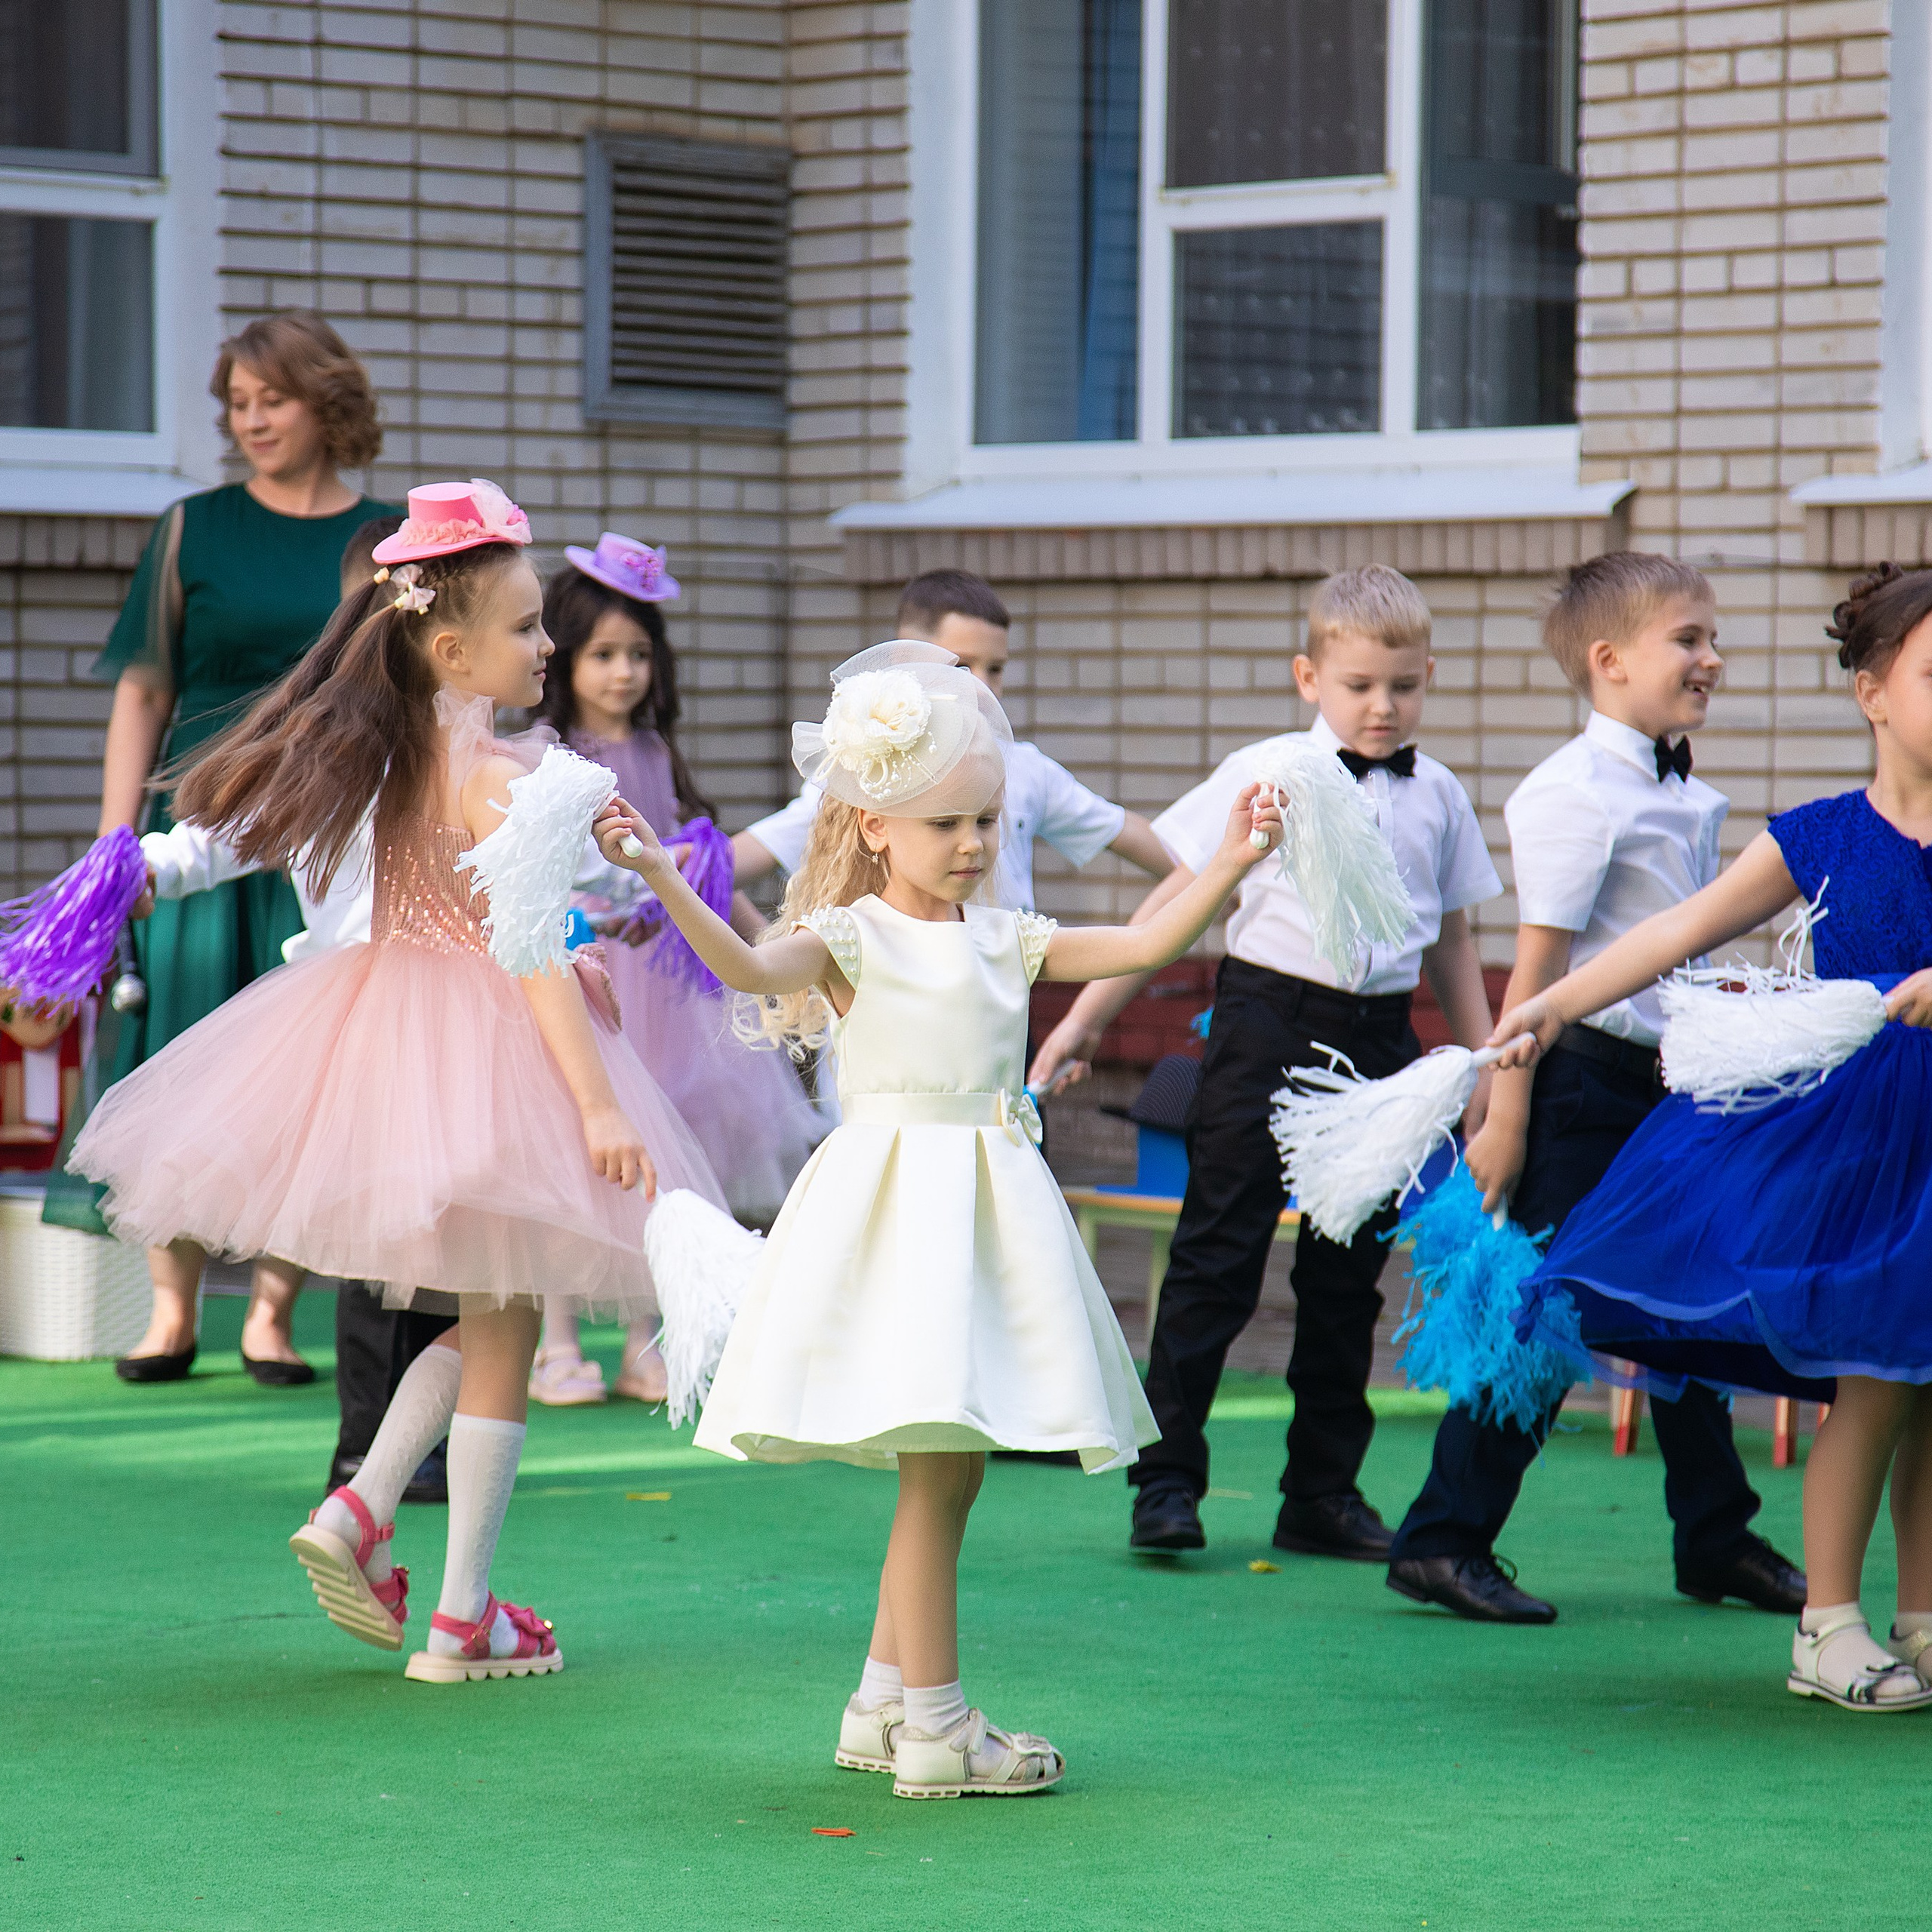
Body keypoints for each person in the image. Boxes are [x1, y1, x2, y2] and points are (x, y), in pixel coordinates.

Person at [593, 639, 1284, 1796]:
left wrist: (1232, 860)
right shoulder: (855, 941)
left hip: (988, 1216)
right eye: (945, 825)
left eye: (985, 823)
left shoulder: (1005, 938)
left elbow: (1151, 942)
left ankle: (880, 1702)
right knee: (938, 1468)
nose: (972, 846)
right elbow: (748, 969)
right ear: (875, 827)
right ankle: (937, 1726)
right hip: (897, 1223)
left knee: (950, 1467)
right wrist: (664, 877)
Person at [69, 478, 728, 1681]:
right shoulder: (497, 777)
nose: (551, 646)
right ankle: (457, 1606)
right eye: (529, 627)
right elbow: (526, 949)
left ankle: (368, 1512)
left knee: (492, 1306)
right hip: (485, 1041)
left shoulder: (382, 754)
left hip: (385, 1018)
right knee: (505, 1314)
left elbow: (264, 841)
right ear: (448, 645)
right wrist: (595, 1104)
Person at [1492, 562, 1932, 1707]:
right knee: (1877, 1378)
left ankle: (1924, 1615)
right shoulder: (1822, 835)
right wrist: (1549, 1004)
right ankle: (1826, 1625)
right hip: (1870, 1146)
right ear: (1872, 692)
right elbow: (1680, 929)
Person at [1029, 565, 1500, 1561]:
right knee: (1217, 1256)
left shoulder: (1441, 794)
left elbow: (1453, 940)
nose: (1383, 706)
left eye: (1404, 687)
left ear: (1430, 679)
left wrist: (1486, 1066)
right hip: (1265, 1029)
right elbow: (1170, 905)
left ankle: (1321, 1494)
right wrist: (1083, 1024)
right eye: (1361, 685)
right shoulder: (1268, 771)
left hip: (1382, 1045)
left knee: (1348, 1279)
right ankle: (1165, 1486)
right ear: (1308, 676)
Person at [1383, 552, 1804, 1624]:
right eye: (1688, 640)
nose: (1712, 657)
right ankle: (1441, 1539)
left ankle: (1713, 1536)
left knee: (1697, 1300)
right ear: (1610, 663)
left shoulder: (1678, 785)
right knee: (1538, 1311)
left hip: (1671, 1085)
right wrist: (1507, 1111)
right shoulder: (1572, 795)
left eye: (1713, 637)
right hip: (1579, 1087)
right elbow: (1538, 972)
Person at [60, 311, 396, 1387]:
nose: (250, 420)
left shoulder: (387, 537)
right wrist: (122, 846)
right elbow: (143, 687)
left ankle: (271, 1314)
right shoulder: (190, 527)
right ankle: (168, 1310)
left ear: (327, 403)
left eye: (273, 399)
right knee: (172, 1049)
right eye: (235, 404)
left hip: (330, 834)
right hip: (209, 818)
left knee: (306, 1076)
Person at [137, 515, 451, 1500]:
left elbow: (541, 868)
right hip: (360, 1017)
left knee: (450, 1233)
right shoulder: (337, 747)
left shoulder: (476, 748)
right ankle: (366, 1445)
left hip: (463, 1022)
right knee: (375, 1240)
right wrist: (134, 871)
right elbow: (221, 835)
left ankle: (422, 1438)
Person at [521, 533, 822, 1407]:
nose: (623, 673)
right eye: (604, 654)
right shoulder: (546, 756)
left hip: (673, 987)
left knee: (667, 1157)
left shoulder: (658, 755)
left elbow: (702, 875)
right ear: (566, 654)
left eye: (639, 654)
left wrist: (770, 947)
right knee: (575, 1151)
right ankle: (558, 1336)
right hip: (588, 975)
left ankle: (646, 1338)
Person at [731, 568, 1173, 911]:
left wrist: (1215, 880)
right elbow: (743, 857)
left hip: (1005, 992)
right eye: (961, 666)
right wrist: (670, 874)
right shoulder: (867, 768)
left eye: (995, 668)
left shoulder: (1025, 767)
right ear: (906, 660)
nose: (982, 686)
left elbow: (1126, 832)